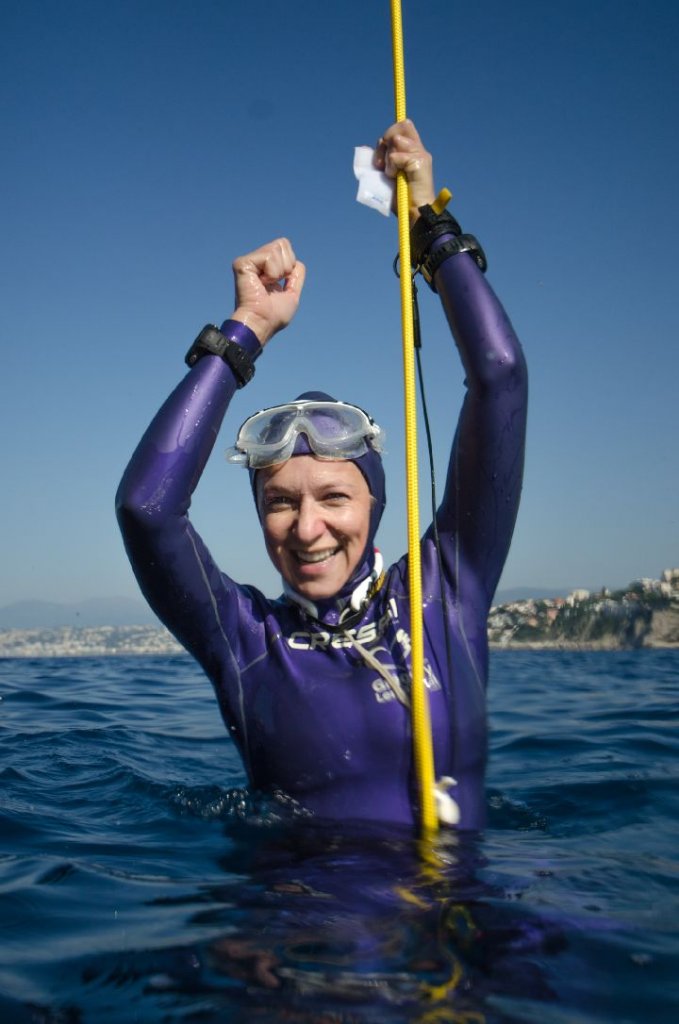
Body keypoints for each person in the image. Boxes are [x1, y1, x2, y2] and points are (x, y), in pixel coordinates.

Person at [116, 121, 527, 831]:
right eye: (278, 502)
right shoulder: (243, 641)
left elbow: (499, 377)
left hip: (468, 920)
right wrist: (244, 330)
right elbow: (147, 509)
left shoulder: (445, 591)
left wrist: (428, 226)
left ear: (375, 502)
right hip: (304, 931)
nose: (307, 529)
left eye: (333, 496)